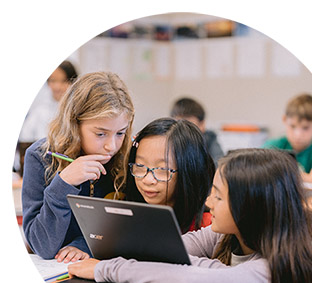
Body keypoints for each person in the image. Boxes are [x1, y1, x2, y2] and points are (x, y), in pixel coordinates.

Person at [69, 148, 312, 283]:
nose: (209, 202)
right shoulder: (226, 235)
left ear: (251, 209)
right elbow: (165, 249)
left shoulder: (280, 268)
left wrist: (103, 269)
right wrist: (225, 275)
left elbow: (184, 281)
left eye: (219, 196)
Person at [22, 71, 135, 263]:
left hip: (103, 269)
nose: (112, 146)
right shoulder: (40, 157)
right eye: (101, 134)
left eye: (120, 133)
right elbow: (42, 245)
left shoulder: (126, 158)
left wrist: (86, 245)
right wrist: (63, 183)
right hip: (56, 271)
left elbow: (130, 228)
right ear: (74, 125)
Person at [125, 117, 215, 233]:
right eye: (140, 166)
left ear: (189, 170)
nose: (147, 180)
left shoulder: (209, 226)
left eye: (162, 169)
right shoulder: (127, 220)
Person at [263, 94, 312, 185]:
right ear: (284, 120)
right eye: (292, 126)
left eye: (305, 128)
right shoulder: (271, 146)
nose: (297, 135)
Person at [19, 60, 79, 143]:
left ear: (73, 82)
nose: (57, 87)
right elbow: (25, 138)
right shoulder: (39, 110)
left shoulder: (78, 109)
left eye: (63, 81)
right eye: (53, 81)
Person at [170, 97, 224, 165]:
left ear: (202, 124)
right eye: (177, 124)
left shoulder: (210, 140)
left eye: (188, 125)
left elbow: (219, 165)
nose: (182, 130)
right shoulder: (168, 141)